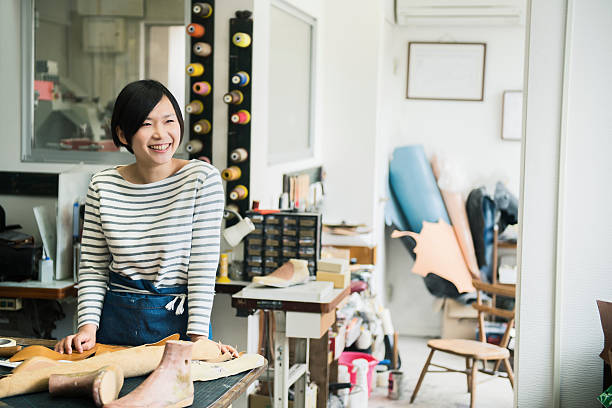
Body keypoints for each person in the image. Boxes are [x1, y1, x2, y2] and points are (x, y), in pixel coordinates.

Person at [55, 80, 236, 356]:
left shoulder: (201, 180)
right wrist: (86, 329)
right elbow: (93, 267)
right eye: (146, 124)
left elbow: (202, 265)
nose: (160, 134)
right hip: (114, 325)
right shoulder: (102, 185)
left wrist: (199, 337)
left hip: (180, 325)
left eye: (169, 121)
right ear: (123, 134)